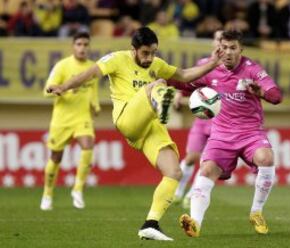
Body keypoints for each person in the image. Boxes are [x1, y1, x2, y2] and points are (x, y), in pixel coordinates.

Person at [46, 27, 222, 241]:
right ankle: (160, 102)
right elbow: (89, 74)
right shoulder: (116, 59)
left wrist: (212, 63)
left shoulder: (156, 64)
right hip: (127, 118)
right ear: (134, 50)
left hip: (150, 127)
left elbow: (184, 75)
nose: (150, 58)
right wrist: (63, 87)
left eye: (153, 53)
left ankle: (150, 224)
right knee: (159, 84)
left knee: (174, 172)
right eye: (145, 53)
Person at [178, 30, 282, 238]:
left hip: (250, 133)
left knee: (267, 158)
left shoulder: (253, 70)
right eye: (224, 47)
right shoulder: (210, 69)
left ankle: (256, 212)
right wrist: (160, 81)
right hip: (221, 135)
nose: (228, 52)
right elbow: (181, 82)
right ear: (218, 48)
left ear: (241, 50)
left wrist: (260, 92)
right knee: (206, 171)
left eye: (233, 48)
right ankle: (195, 223)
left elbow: (276, 95)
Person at [40, 32, 100, 211]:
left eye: (85, 44)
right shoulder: (62, 66)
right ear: (73, 46)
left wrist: (95, 105)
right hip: (62, 119)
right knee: (56, 157)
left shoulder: (93, 68)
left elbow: (92, 90)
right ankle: (47, 194)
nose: (82, 48)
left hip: (82, 117)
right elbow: (47, 90)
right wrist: (58, 90)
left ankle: (78, 189)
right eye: (79, 44)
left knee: (88, 146)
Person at [173, 30, 223, 209]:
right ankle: (178, 192)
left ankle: (192, 195)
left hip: (220, 123)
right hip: (202, 120)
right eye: (218, 39)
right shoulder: (203, 64)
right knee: (191, 157)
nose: (220, 44)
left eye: (224, 41)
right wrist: (180, 94)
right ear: (212, 42)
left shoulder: (231, 68)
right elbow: (190, 83)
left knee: (206, 163)